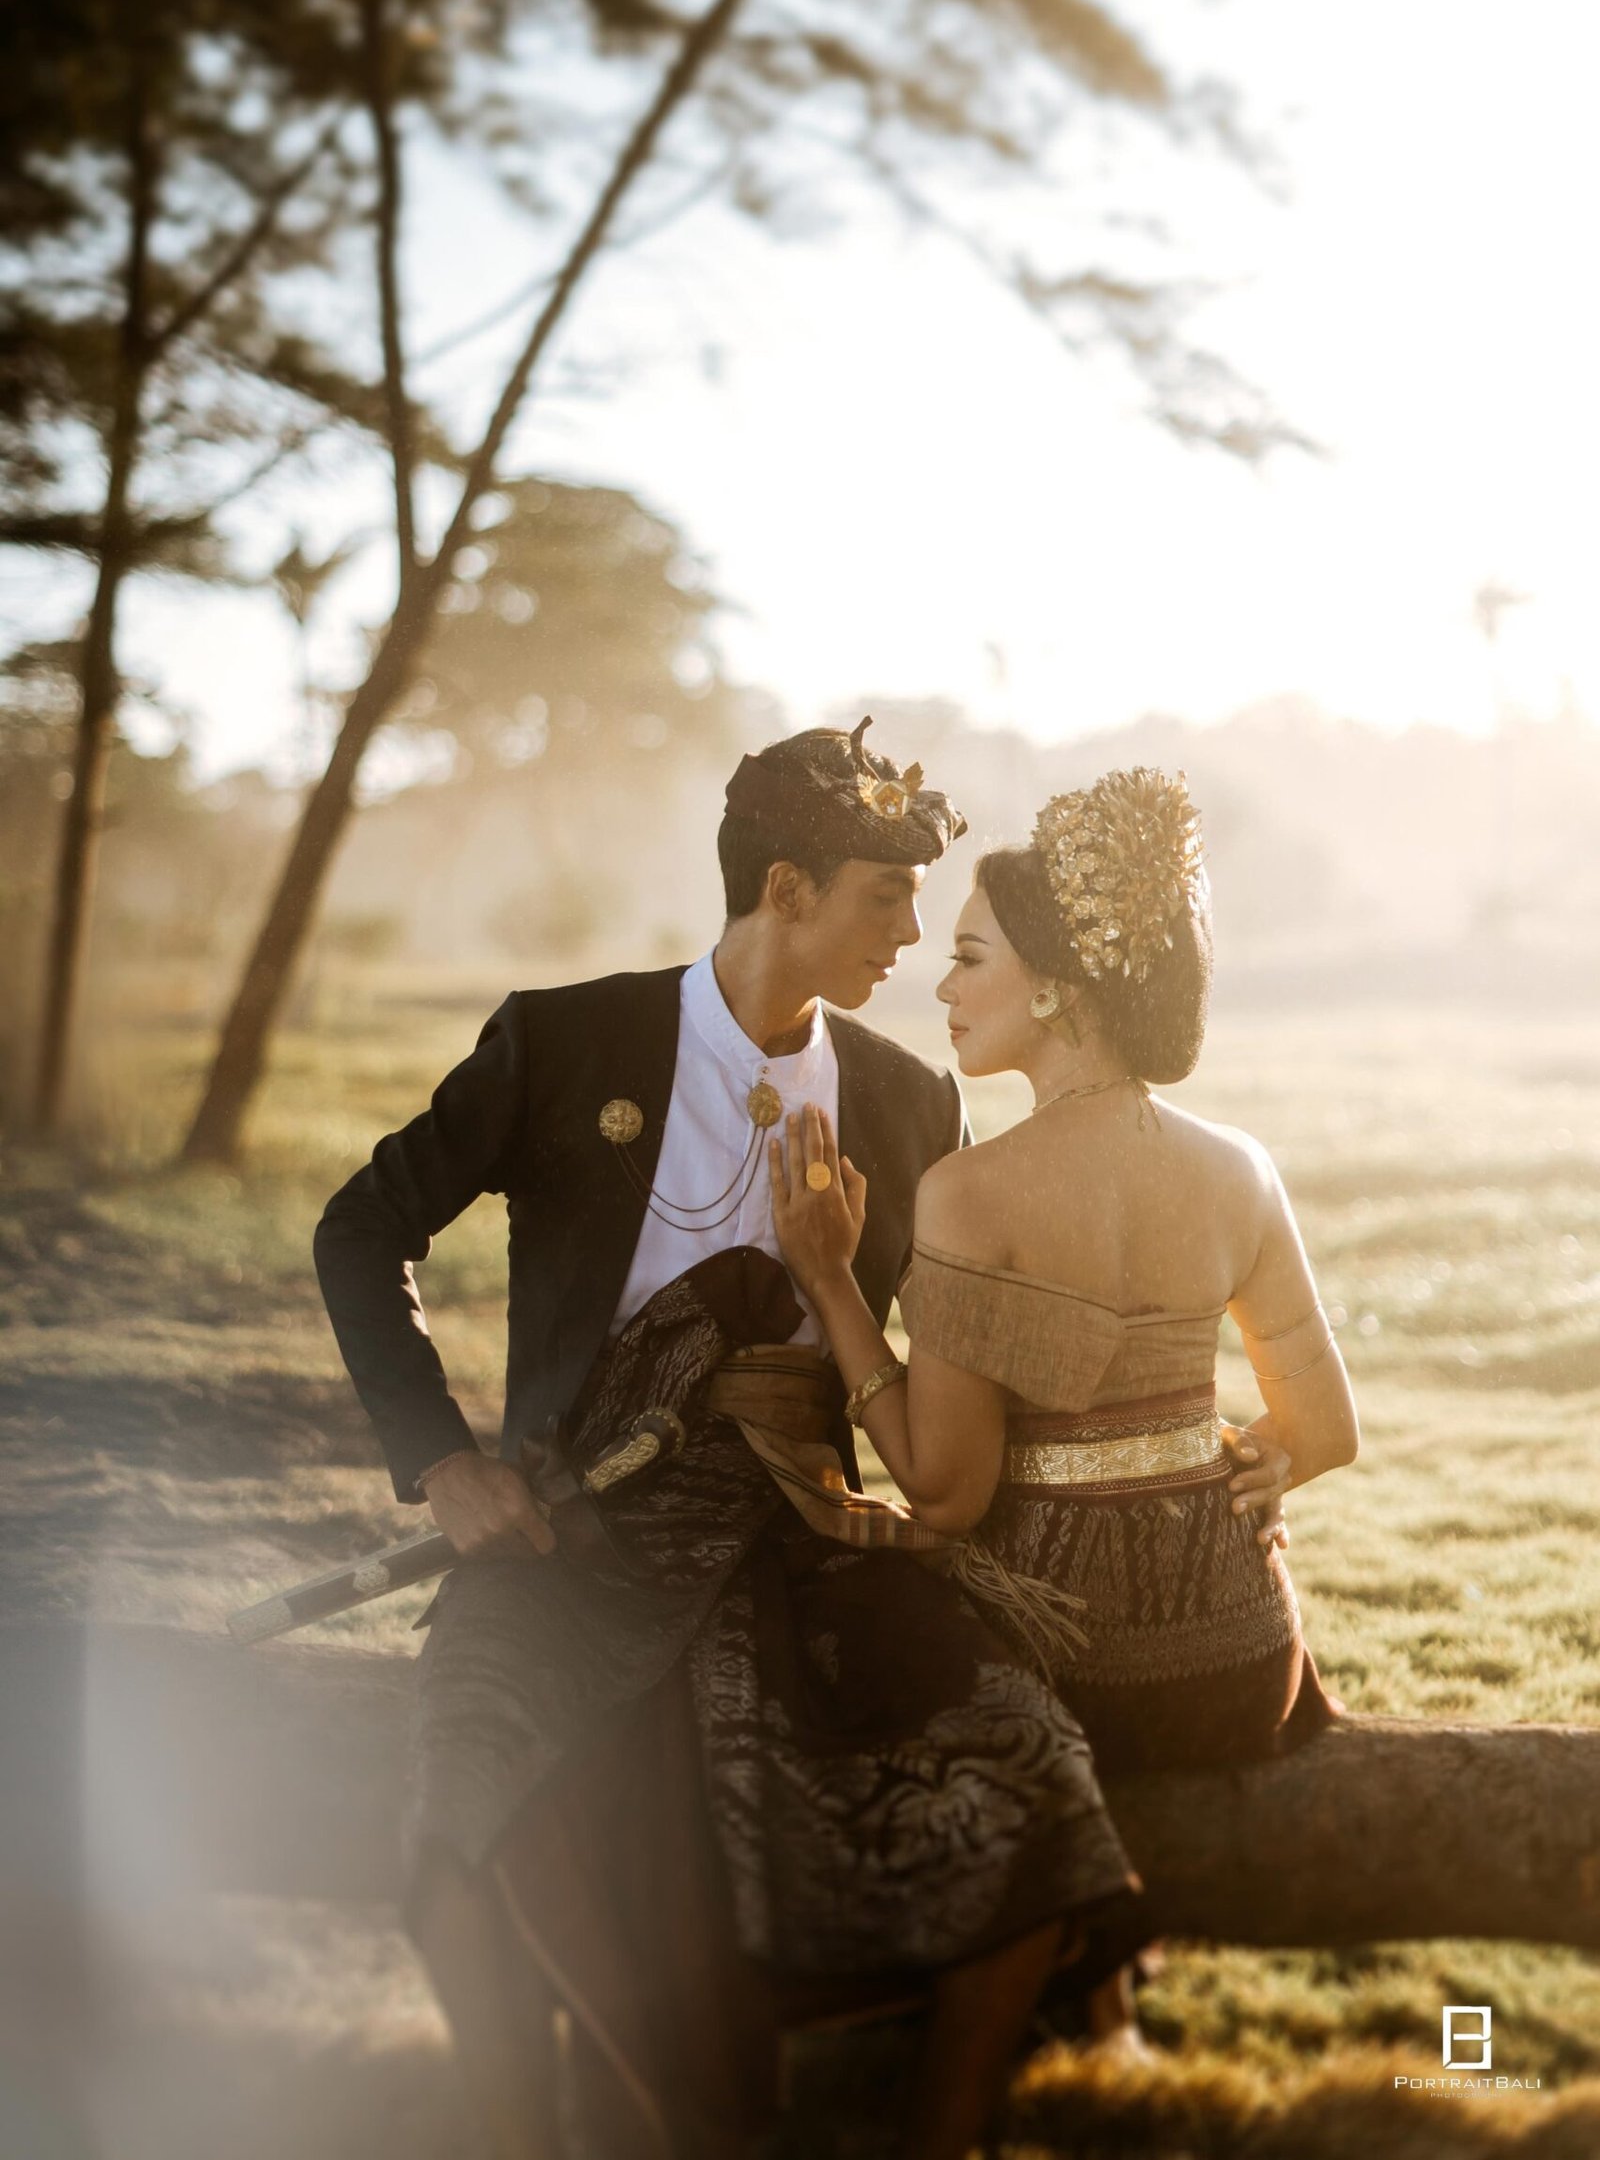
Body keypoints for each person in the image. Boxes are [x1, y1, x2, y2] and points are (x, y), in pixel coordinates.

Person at [315, 726, 1229, 2160]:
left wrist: (1190, 1452)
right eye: (885, 895)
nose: (913, 935)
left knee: (1025, 1752)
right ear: (786, 887)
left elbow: (962, 1360)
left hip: (813, 1533)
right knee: (478, 1785)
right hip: (571, 1528)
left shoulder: (911, 1100)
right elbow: (360, 1229)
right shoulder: (563, 1040)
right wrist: (444, 1461)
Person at [771, 764, 1358, 2050]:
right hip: (1240, 1658)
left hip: (1072, 1668)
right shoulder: (1240, 1167)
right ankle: (1098, 2009)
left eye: (968, 955)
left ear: (1056, 986)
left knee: (826, 1623)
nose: (940, 984)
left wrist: (829, 1278)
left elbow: (946, 1492)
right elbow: (1325, 1430)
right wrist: (1247, 1458)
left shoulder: (971, 1191)